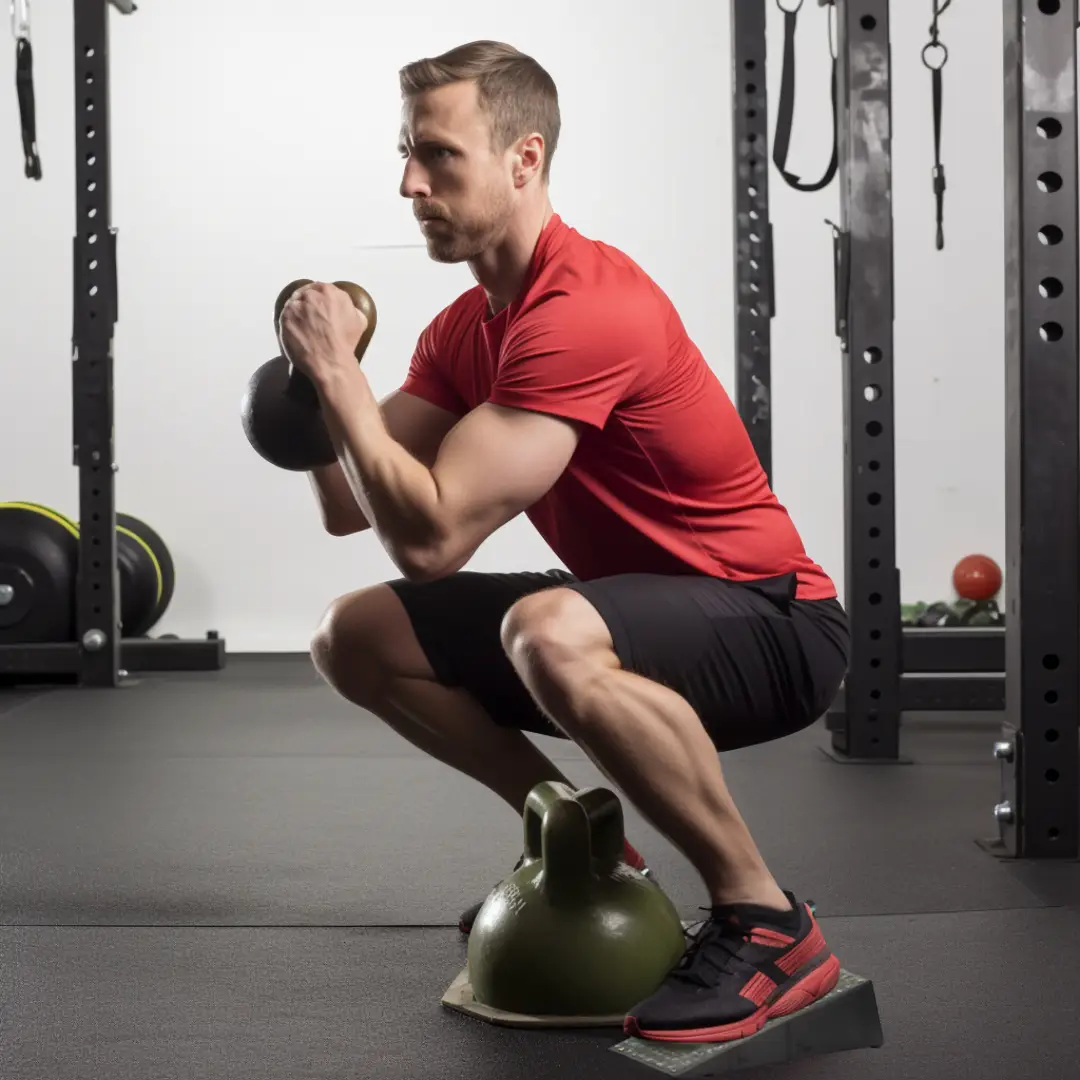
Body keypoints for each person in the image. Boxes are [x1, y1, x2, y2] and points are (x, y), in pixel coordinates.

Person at [278, 40, 850, 1044]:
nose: (410, 183)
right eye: (405, 154)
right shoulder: (467, 328)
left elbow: (435, 539)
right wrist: (319, 391)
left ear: (524, 159)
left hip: (774, 621)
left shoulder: (586, 307)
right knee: (352, 635)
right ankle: (580, 839)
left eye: (439, 156)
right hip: (637, 607)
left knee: (546, 631)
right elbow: (354, 505)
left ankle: (769, 920)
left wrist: (339, 383)